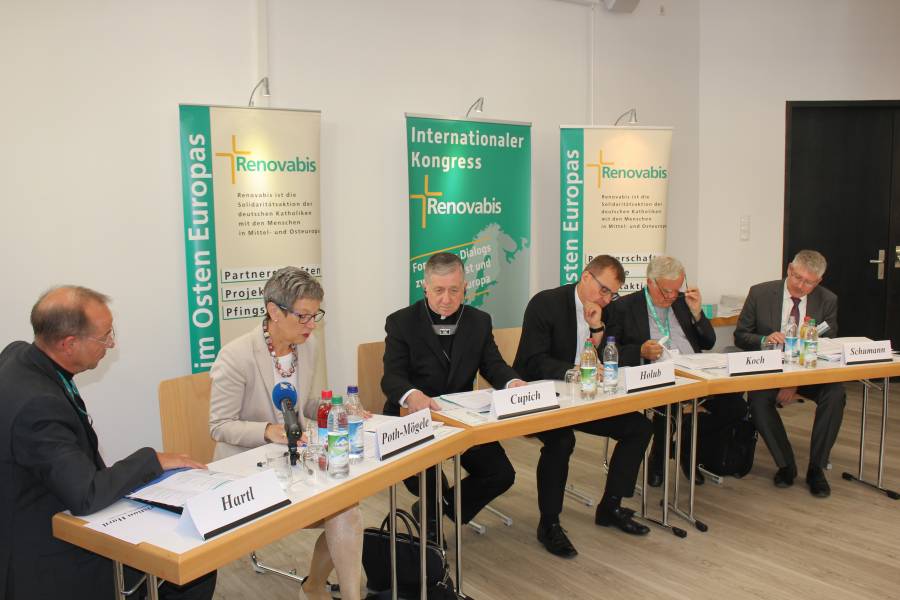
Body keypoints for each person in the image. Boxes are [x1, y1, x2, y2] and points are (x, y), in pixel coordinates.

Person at [0, 286, 217, 600]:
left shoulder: (20, 354)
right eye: (104, 337)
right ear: (69, 344)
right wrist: (152, 459)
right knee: (192, 574)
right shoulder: (39, 407)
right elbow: (85, 495)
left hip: (34, 507)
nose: (112, 343)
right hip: (46, 555)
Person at [208, 267, 362, 600]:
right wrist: (268, 431)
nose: (311, 325)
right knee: (342, 508)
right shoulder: (235, 357)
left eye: (315, 315)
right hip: (247, 472)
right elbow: (220, 426)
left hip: (297, 464)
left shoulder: (308, 345)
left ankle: (325, 590)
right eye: (303, 316)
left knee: (347, 508)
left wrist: (335, 410)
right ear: (274, 311)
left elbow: (306, 403)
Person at [514, 255, 652, 558]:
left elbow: (609, 352)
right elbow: (531, 361)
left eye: (611, 293)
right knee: (561, 441)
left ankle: (611, 506)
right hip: (544, 397)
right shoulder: (546, 304)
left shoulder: (607, 310)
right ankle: (549, 524)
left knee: (639, 427)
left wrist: (597, 329)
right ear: (586, 277)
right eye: (602, 290)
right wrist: (573, 371)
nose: (606, 298)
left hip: (585, 398)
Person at [381, 252, 524, 531]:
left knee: (501, 474)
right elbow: (392, 377)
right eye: (439, 290)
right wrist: (412, 395)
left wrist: (512, 383)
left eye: (454, 290)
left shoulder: (478, 321)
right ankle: (432, 529)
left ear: (465, 287)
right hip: (414, 421)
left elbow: (493, 365)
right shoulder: (401, 322)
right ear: (425, 287)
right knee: (430, 479)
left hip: (462, 420)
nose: (446, 299)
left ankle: (441, 508)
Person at [604, 256, 747, 487]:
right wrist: (639, 350)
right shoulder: (623, 307)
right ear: (650, 282)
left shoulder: (682, 302)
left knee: (736, 405)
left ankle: (685, 446)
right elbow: (609, 350)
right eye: (666, 291)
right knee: (667, 406)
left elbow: (709, 342)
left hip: (694, 370)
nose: (671, 296)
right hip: (655, 375)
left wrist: (698, 313)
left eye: (676, 290)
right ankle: (659, 458)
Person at [734, 250, 844, 498]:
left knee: (835, 393)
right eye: (798, 278)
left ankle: (817, 468)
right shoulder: (760, 293)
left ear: (819, 282)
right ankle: (786, 465)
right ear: (789, 269)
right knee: (759, 400)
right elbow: (740, 335)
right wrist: (764, 339)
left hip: (808, 371)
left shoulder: (827, 300)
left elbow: (828, 343)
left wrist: (794, 383)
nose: (802, 286)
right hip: (770, 369)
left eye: (810, 282)